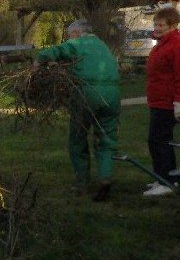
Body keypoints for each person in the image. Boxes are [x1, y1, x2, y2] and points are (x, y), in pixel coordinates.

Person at [33, 18, 121, 201]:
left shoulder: (79, 43)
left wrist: (39, 60)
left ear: (76, 33)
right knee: (106, 138)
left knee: (78, 138)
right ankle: (105, 178)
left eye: (69, 36)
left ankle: (82, 182)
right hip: (113, 95)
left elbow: (56, 51)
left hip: (87, 93)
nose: (68, 39)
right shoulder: (102, 45)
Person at [142, 7, 180, 197]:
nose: (157, 27)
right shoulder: (161, 45)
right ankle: (164, 177)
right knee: (158, 141)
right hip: (157, 101)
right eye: (155, 23)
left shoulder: (179, 46)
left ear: (173, 26)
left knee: (159, 141)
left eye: (161, 25)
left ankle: (168, 181)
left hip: (168, 103)